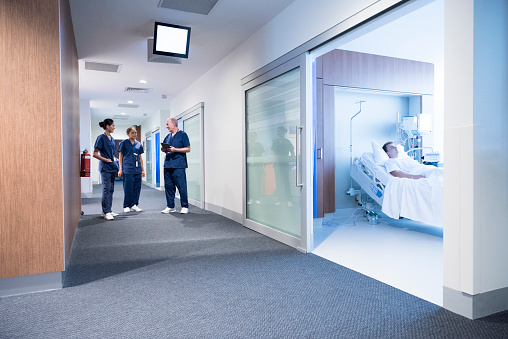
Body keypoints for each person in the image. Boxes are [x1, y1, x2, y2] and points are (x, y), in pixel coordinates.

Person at [161, 118, 191, 214]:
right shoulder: (168, 136)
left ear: (174, 124)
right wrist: (164, 149)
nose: (166, 126)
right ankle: (170, 206)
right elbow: (165, 149)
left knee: (181, 186)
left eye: (167, 124)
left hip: (178, 165)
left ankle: (184, 206)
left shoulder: (183, 135)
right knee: (169, 186)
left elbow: (188, 149)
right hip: (168, 165)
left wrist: (175, 150)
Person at [93, 118, 119, 220]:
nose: (114, 127)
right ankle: (105, 211)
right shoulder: (101, 138)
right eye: (113, 125)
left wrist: (113, 159)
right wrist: (106, 160)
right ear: (107, 126)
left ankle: (108, 210)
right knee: (106, 189)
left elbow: (111, 153)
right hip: (105, 167)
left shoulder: (111, 138)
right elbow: (94, 154)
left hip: (112, 166)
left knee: (111, 189)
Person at [118, 127, 145, 213]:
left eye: (136, 132)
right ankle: (126, 205)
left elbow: (140, 157)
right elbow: (120, 155)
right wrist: (120, 168)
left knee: (137, 188)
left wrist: (143, 170)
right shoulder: (124, 143)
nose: (135, 134)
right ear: (128, 134)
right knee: (128, 188)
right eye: (132, 132)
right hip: (128, 168)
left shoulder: (139, 144)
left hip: (137, 169)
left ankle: (134, 204)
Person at [271, 126, 294, 207]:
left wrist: (291, 159)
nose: (278, 133)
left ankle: (288, 200)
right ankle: (281, 200)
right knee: (278, 183)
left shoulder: (287, 142)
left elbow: (292, 152)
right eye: (277, 131)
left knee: (286, 182)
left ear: (283, 132)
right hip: (277, 165)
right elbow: (273, 153)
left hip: (284, 164)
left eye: (279, 131)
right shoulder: (275, 142)